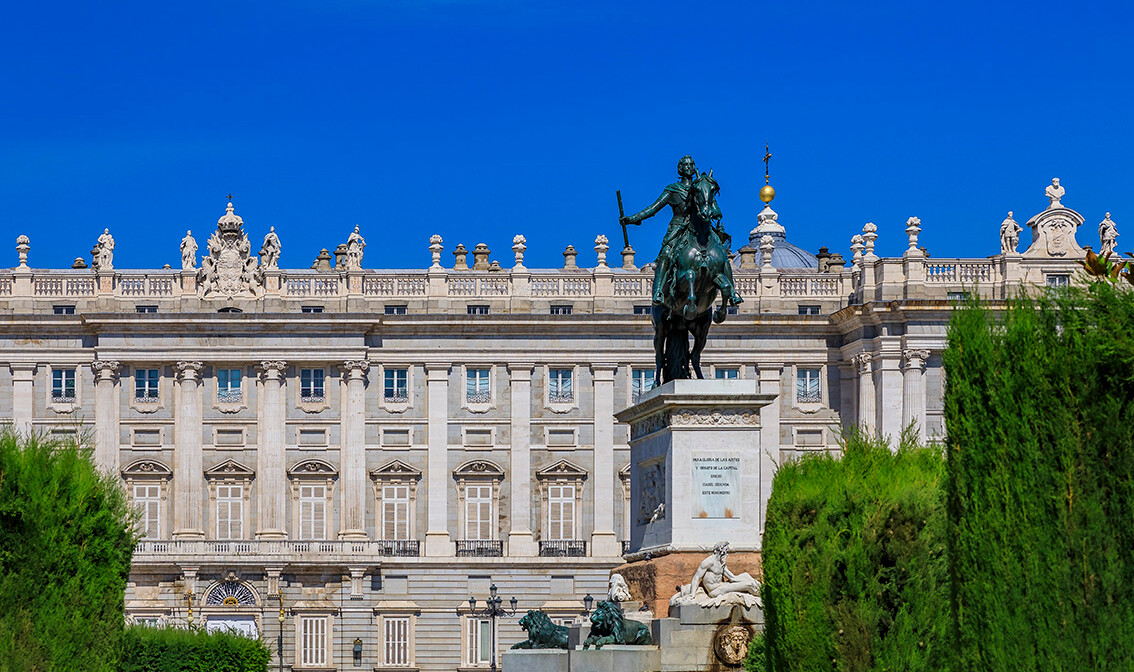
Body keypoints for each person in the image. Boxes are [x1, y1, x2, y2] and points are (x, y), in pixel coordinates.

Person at [620, 156, 741, 306]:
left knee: (722, 254)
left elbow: (715, 210)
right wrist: (632, 219)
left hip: (701, 227)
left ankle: (733, 292)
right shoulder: (673, 189)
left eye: (691, 164)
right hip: (677, 227)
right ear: (680, 168)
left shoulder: (702, 187)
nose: (688, 167)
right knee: (666, 254)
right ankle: (658, 291)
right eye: (685, 165)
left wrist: (713, 211)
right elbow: (653, 208)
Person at [681, 541, 760, 600]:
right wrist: (692, 595)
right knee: (749, 585)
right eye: (725, 551)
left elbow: (732, 578)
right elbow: (696, 577)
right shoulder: (708, 562)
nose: (726, 554)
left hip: (722, 586)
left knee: (746, 575)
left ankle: (761, 589)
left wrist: (749, 579)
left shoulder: (721, 563)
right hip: (715, 591)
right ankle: (764, 596)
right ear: (719, 551)